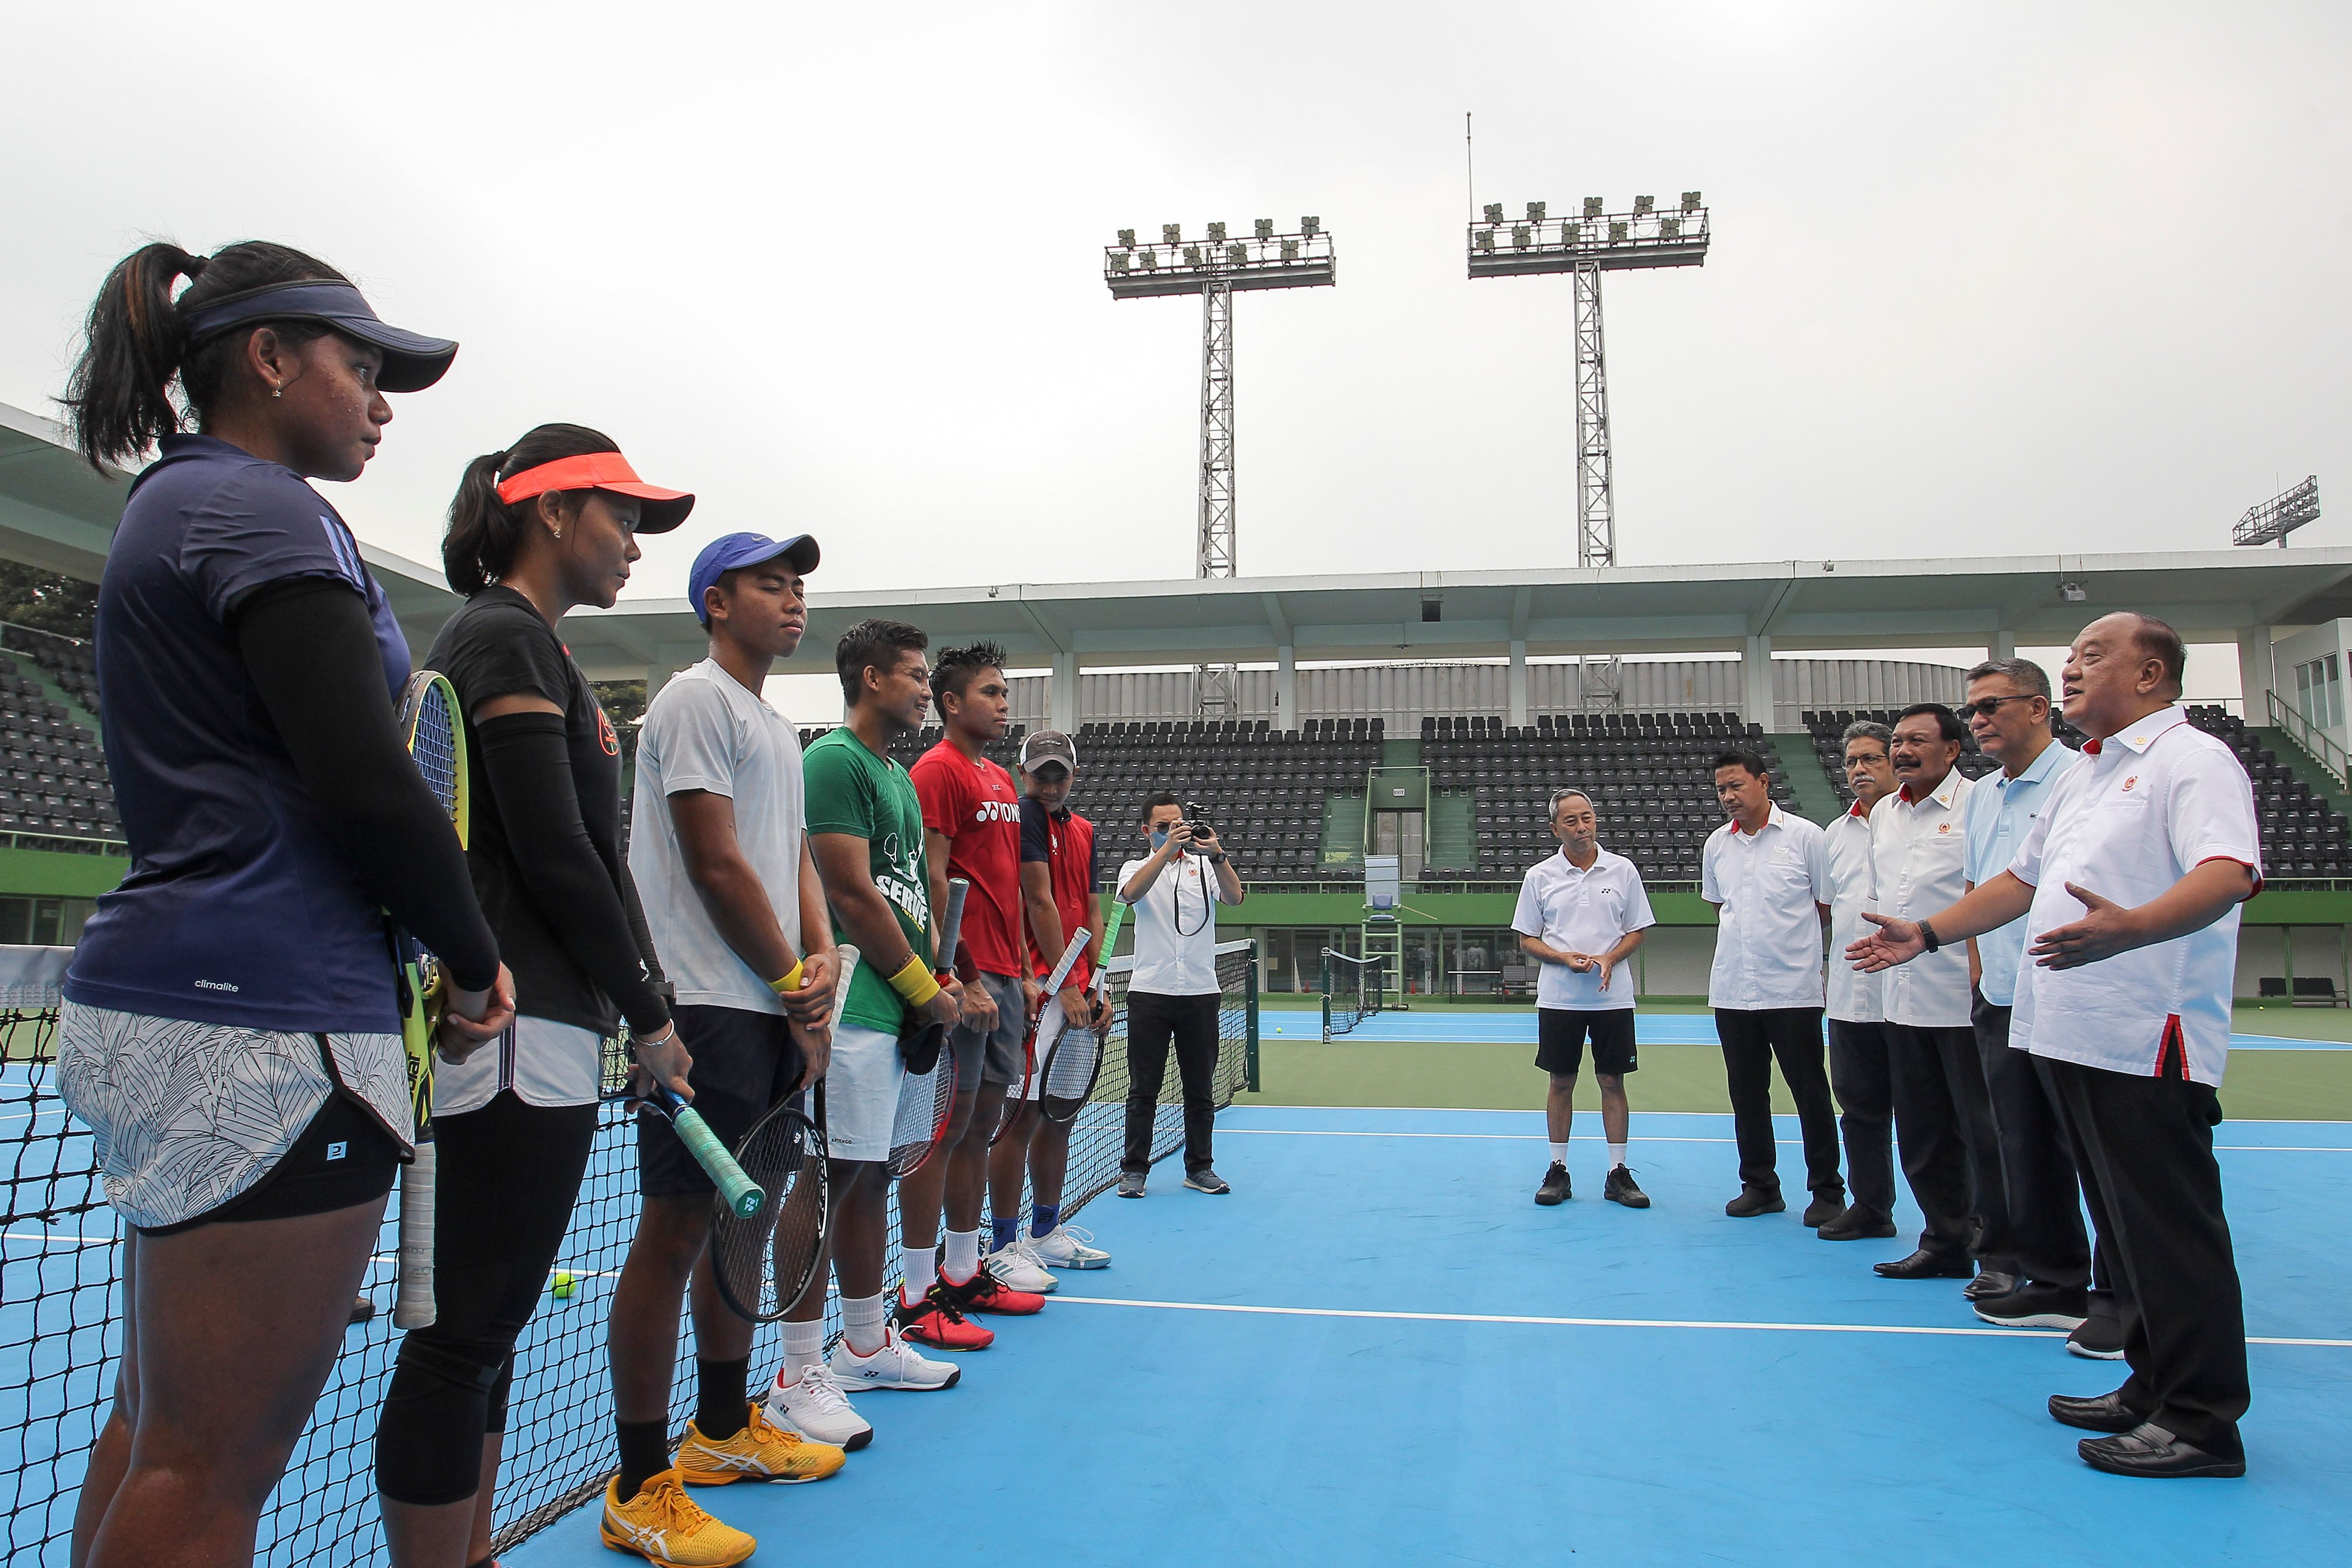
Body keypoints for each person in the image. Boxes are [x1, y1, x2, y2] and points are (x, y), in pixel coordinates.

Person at [54, 239, 514, 1568]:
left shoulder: (175, 503)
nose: (380, 405)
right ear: (266, 359)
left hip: (182, 1004)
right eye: (359, 368)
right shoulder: (268, 510)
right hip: (269, 1023)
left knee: (160, 1434)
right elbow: (370, 782)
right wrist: (473, 956)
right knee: (211, 1466)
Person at [382, 425, 710, 1568]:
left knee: (490, 1328)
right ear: (551, 511)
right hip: (513, 1029)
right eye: (619, 516)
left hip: (556, 1023)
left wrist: (638, 999)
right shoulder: (500, 638)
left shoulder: (543, 651)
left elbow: (591, 855)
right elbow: (557, 850)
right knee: (461, 1334)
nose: (631, 543)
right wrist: (653, 1013)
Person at [1850, 613, 2257, 1479]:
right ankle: (2150, 1384)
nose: (2071, 669)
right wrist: (1925, 932)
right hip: (2073, 1032)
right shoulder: (2090, 776)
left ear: (2151, 673)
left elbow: (2228, 871)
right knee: (2123, 1224)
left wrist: (2133, 928)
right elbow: (2019, 882)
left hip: (2148, 1032)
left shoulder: (2191, 759)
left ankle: (2201, 1418)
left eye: (2092, 655)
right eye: (2070, 656)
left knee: (2170, 1228)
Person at [609, 531, 853, 1550]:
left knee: (740, 1228)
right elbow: (714, 864)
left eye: (799, 586)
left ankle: (719, 1430)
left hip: (767, 1010)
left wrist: (824, 962)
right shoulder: (694, 699)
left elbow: (787, 857)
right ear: (717, 601)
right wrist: (797, 981)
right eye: (770, 584)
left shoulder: (774, 724)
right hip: (701, 1010)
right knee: (671, 1234)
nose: (793, 600)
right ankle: (638, 1482)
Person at [802, 620, 967, 1392]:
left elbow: (909, 898)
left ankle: (866, 1342)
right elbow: (851, 897)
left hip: (895, 1012)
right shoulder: (833, 761)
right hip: (853, 1006)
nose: (925, 690)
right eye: (912, 675)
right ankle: (804, 1362)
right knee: (825, 1178)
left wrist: (942, 974)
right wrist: (924, 991)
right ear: (871, 679)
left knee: (866, 1177)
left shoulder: (896, 777)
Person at [1956, 661, 2115, 1354]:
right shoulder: (1984, 796)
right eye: (1971, 711)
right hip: (2002, 995)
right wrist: (1977, 974)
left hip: (2069, 992)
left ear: (2039, 707)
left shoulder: (2081, 779)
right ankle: (2053, 1282)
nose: (1977, 720)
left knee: (2096, 1152)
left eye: (1990, 705)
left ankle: (2118, 1298)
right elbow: (1986, 883)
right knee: (2020, 1143)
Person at [901, 643, 1053, 1344]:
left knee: (979, 1127)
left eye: (1004, 692)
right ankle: (915, 1291)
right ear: (951, 703)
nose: (1002, 703)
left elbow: (1008, 890)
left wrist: (1021, 967)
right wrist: (952, 976)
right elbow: (932, 881)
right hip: (964, 982)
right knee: (941, 1132)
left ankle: (964, 1273)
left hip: (1004, 979)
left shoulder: (996, 776)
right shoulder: (936, 771)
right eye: (990, 692)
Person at [1867, 704, 2013, 1293]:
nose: (1901, 751)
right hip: (1902, 999)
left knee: (1984, 1134)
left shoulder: (1981, 804)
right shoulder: (1884, 814)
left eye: (1916, 741)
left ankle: (2000, 1252)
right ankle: (1943, 1240)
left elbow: (1994, 895)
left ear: (1952, 750)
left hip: (1962, 995)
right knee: (1922, 1132)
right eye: (1897, 741)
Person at [987, 730, 1114, 1272]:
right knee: (1021, 1116)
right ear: (1023, 775)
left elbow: (1091, 910)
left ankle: (1044, 1230)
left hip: (1077, 994)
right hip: (1038, 992)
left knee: (1059, 1115)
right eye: (1041, 774)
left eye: (1060, 774)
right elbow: (1033, 900)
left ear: (1075, 776)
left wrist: (1098, 987)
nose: (1051, 784)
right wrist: (1058, 983)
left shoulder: (1084, 829)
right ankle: (1000, 1244)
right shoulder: (1023, 818)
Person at [1700, 750, 1844, 1223]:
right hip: (1733, 990)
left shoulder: (1807, 838)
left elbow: (1825, 908)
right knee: (1746, 1093)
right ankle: (1760, 1185)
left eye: (1736, 786)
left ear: (1764, 782)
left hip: (1793, 991)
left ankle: (1827, 1191)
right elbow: (1719, 907)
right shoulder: (1717, 845)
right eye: (1722, 789)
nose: (1728, 797)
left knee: (1810, 1092)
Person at [1514, 787, 1655, 1208]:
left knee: (1613, 1081)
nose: (1582, 826)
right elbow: (1526, 938)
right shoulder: (1539, 876)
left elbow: (1637, 929)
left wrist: (1611, 957)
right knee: (1561, 1081)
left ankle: (1617, 1173)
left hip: (1613, 1000)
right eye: (1572, 820)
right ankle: (1558, 1169)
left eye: (1588, 817)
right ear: (1555, 827)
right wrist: (1560, 957)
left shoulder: (1623, 870)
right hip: (1559, 999)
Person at [1114, 794, 1245, 1197]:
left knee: (1200, 1088)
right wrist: (1167, 850)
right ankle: (1134, 1170)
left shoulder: (1204, 867)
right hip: (1149, 992)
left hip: (1201, 993)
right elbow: (1130, 894)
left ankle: (1200, 1167)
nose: (1173, 830)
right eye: (1162, 826)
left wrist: (1218, 853)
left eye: (1178, 824)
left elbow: (1236, 897)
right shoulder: (1135, 867)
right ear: (1146, 831)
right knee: (1142, 1089)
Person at [1818, 722, 1902, 1242]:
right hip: (1851, 997)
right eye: (1852, 762)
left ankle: (1964, 1221)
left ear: (1894, 762)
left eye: (1871, 759)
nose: (1859, 770)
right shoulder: (1835, 833)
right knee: (1859, 1110)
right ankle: (1872, 1206)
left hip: (1914, 994)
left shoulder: (1918, 823)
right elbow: (1830, 905)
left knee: (1934, 1116)